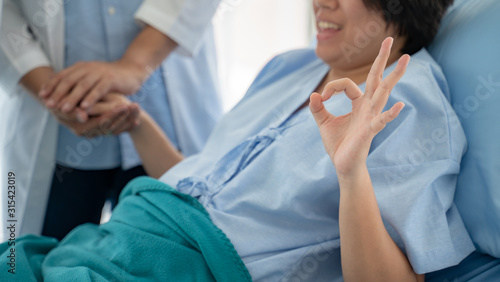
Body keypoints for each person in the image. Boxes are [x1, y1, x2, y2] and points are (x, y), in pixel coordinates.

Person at [0, 0, 474, 281]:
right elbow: (203, 190)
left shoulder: (409, 105)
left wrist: (352, 176)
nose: (320, 2)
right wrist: (137, 124)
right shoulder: (289, 67)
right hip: (116, 241)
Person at [0, 0, 222, 241]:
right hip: (59, 136)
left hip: (165, 112)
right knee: (39, 263)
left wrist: (135, 65)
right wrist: (51, 91)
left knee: (178, 259)